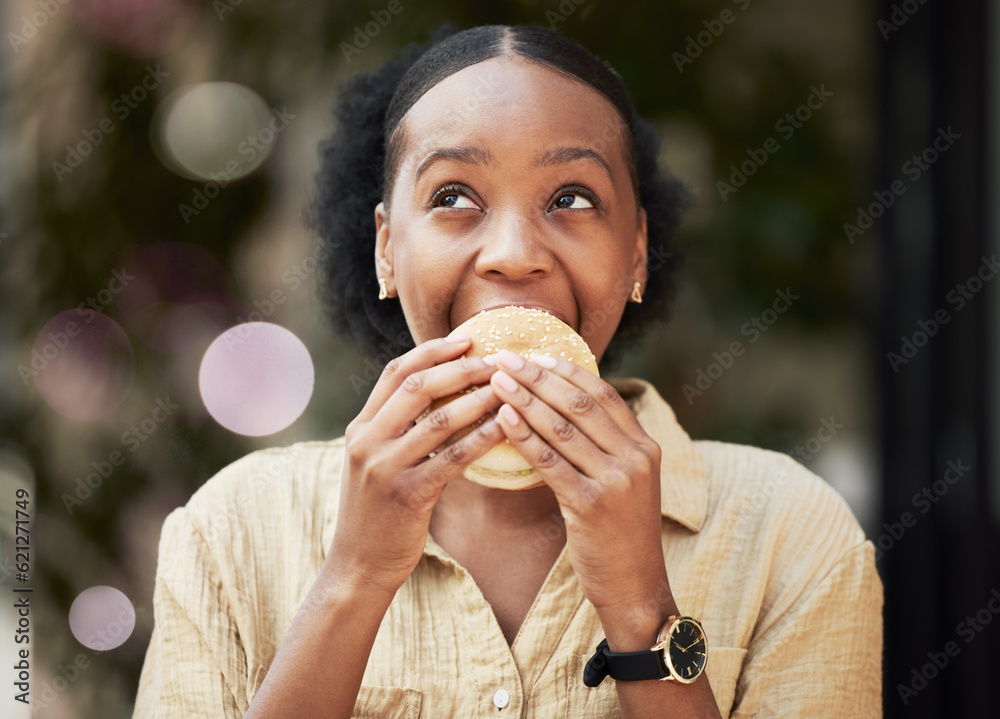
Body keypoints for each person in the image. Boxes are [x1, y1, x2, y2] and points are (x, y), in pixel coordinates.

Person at [133, 24, 883, 718]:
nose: (515, 252)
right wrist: (353, 580)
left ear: (636, 253)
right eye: (453, 196)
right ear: (387, 250)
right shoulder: (231, 530)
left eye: (572, 198)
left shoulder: (791, 529)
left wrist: (638, 605)